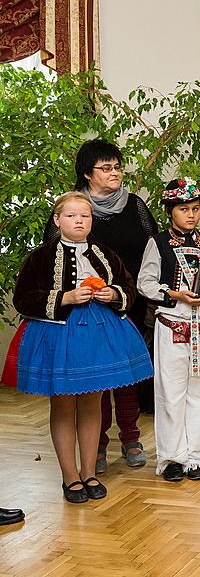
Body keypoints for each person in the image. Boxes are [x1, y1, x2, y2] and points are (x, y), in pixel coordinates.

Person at [11, 192, 153, 502]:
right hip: (59, 335)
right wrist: (65, 298)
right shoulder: (41, 256)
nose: (79, 220)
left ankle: (89, 472)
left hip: (101, 335)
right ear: (57, 220)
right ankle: (69, 476)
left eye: (85, 216)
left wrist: (113, 294)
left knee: (92, 404)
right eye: (72, 215)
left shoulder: (105, 254)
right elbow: (22, 299)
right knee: (63, 404)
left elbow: (128, 287)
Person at [43, 139, 157, 474]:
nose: (114, 173)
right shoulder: (72, 208)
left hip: (126, 302)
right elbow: (54, 259)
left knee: (127, 377)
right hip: (83, 310)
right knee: (97, 380)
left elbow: (154, 249)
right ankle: (99, 445)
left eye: (117, 166)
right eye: (105, 168)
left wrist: (135, 293)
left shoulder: (134, 205)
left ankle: (131, 438)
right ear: (86, 173)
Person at [137, 179, 200, 481]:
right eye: (183, 209)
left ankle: (196, 457)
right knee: (171, 392)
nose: (191, 215)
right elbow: (145, 283)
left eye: (195, 209)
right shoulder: (158, 242)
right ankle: (171, 458)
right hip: (172, 325)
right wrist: (175, 295)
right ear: (169, 212)